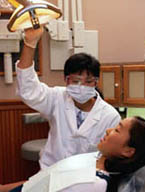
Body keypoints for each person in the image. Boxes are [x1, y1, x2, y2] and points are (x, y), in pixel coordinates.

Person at [0, 116, 145, 192]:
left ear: (128, 151)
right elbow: (38, 182)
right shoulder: (95, 158)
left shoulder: (92, 185)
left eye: (117, 130)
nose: (108, 130)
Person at [16, 26, 121, 169]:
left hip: (86, 179)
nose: (82, 86)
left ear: (96, 82)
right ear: (66, 80)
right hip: (51, 171)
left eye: (88, 82)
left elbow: (111, 156)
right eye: (76, 81)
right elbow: (28, 89)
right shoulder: (56, 98)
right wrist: (29, 44)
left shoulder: (110, 116)